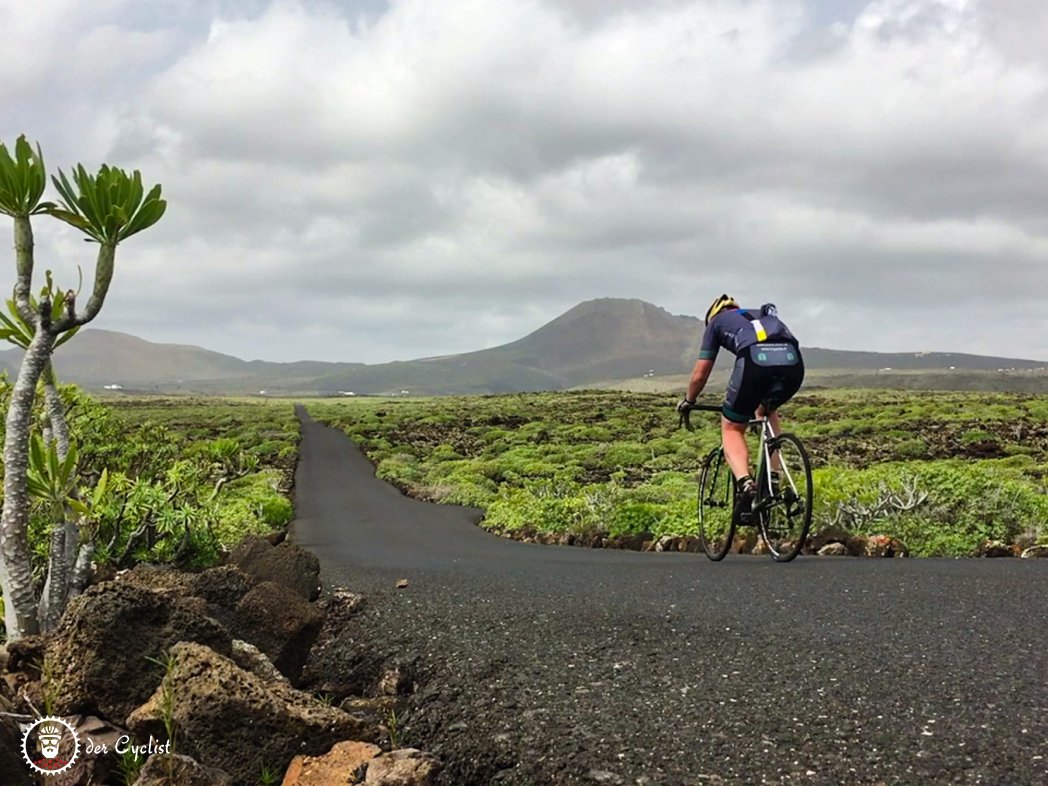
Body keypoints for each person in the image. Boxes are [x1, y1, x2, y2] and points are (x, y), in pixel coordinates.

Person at [677, 294, 804, 513]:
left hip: (755, 361)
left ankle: (746, 484)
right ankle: (773, 478)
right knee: (766, 411)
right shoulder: (760, 316)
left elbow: (700, 374)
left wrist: (689, 400)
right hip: (793, 362)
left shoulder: (715, 323)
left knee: (732, 427)